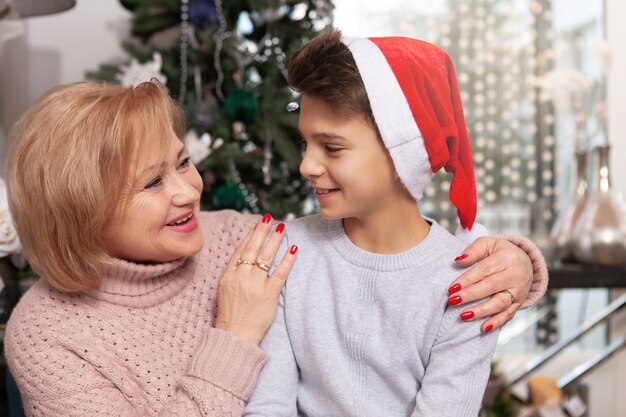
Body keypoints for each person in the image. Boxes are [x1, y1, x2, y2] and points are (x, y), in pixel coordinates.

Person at [3, 80, 546, 417]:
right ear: (80, 209)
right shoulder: (46, 333)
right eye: (152, 184)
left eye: (183, 162)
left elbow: (369, 248)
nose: (188, 190)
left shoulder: (244, 240)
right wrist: (235, 335)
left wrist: (518, 262)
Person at [244, 30, 547, 417]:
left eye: (332, 147)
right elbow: (268, 405)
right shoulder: (287, 251)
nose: (307, 165)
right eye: (305, 143)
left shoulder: (470, 283)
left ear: (403, 148)